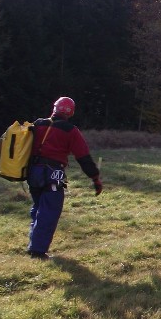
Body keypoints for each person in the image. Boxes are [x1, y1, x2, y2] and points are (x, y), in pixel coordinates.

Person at [26, 96, 102, 259]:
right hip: (52, 174)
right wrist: (95, 178)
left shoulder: (38, 124)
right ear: (71, 112)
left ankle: (33, 245)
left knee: (38, 208)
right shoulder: (70, 130)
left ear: (54, 108)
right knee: (49, 211)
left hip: (32, 173)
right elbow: (83, 157)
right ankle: (38, 251)